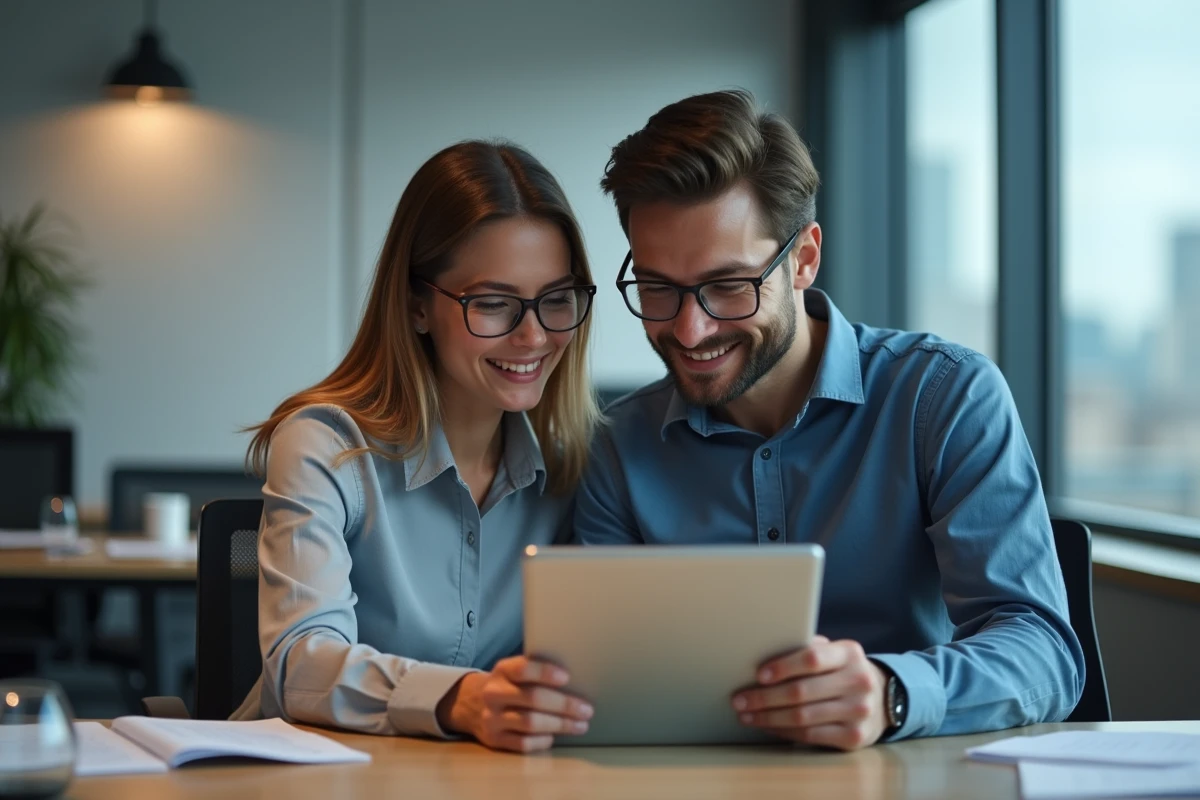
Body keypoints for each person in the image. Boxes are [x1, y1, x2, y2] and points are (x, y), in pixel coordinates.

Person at [576, 90, 1085, 750]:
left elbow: (1044, 652)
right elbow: (603, 679)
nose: (689, 327)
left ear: (804, 258)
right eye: (657, 288)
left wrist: (890, 693)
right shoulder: (614, 449)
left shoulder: (944, 397)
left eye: (729, 286)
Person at [234, 140, 597, 753]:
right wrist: (464, 698)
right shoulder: (326, 446)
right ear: (417, 305)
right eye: (493, 303)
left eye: (556, 299)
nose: (534, 335)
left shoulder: (574, 467)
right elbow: (300, 663)